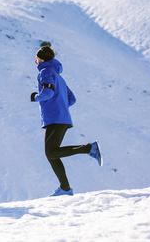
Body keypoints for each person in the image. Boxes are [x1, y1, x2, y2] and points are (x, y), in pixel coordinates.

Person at [30, 46, 102, 196]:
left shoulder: (45, 72)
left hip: (55, 118)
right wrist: (59, 106)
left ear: (41, 59)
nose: (34, 60)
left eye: (36, 57)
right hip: (60, 117)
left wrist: (35, 97)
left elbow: (47, 92)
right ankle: (65, 188)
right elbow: (72, 99)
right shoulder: (58, 76)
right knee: (51, 154)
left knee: (51, 152)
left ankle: (89, 149)